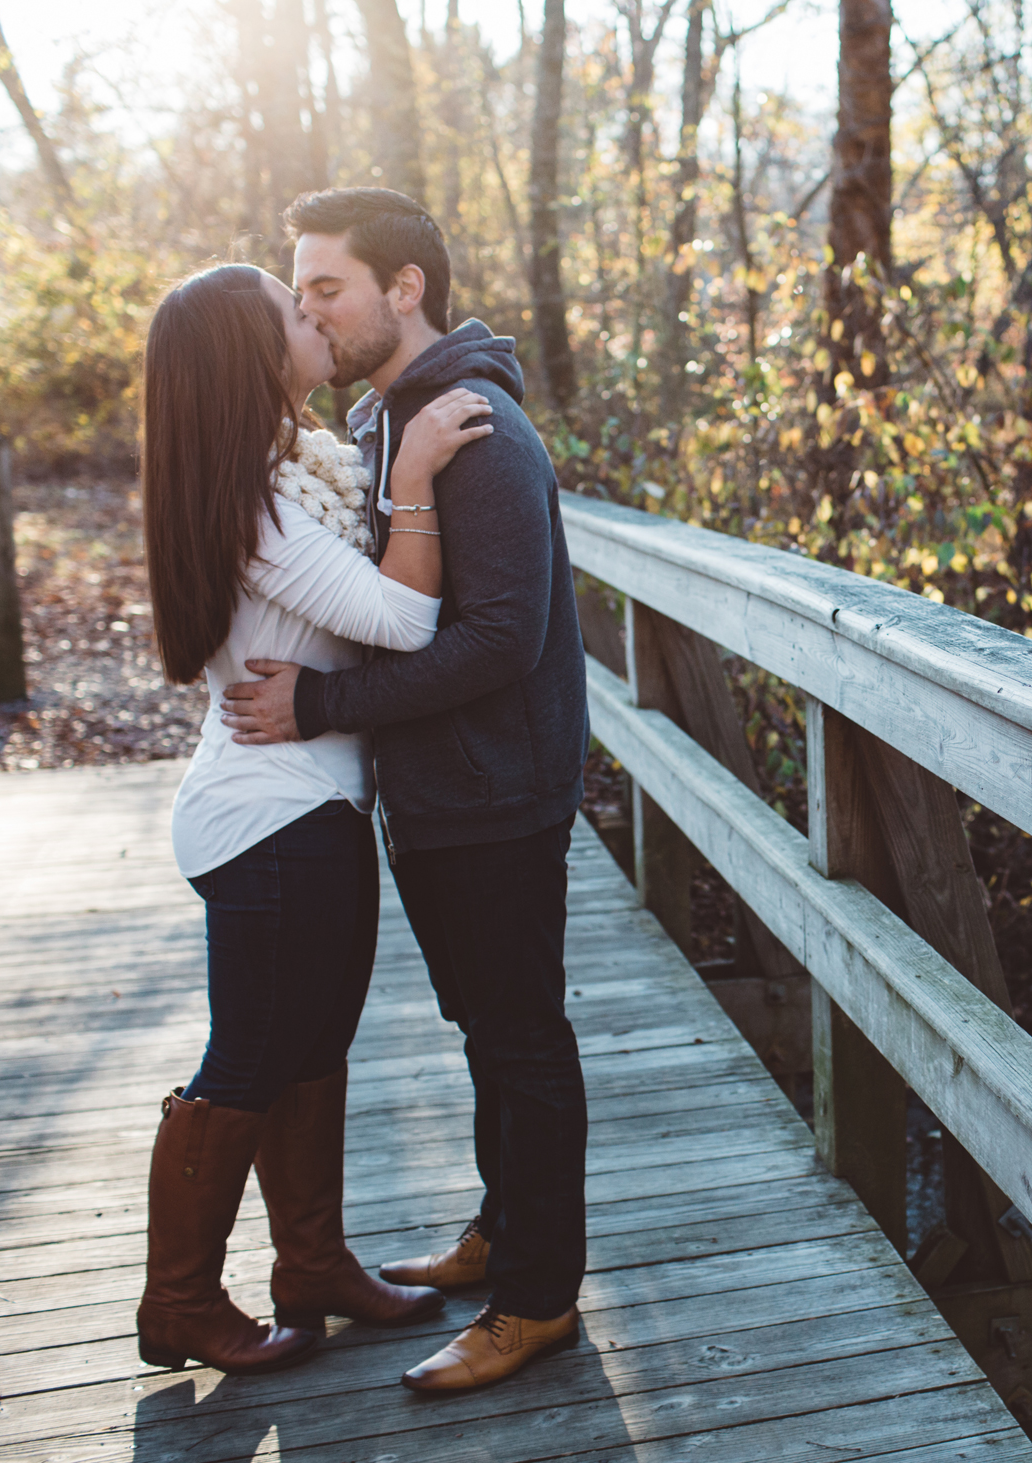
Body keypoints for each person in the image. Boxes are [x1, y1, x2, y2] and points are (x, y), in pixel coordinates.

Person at [220, 188, 592, 1393]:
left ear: (404, 289)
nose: (312, 312)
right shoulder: (391, 419)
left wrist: (319, 707)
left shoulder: (474, 427)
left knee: (521, 1035)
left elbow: (495, 640)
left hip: (494, 794)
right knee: (485, 1027)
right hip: (437, 791)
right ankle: (505, 1231)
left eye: (325, 286)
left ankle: (537, 1300)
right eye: (303, 293)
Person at [137, 263, 493, 1373]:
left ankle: (315, 1264)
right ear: (253, 354)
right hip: (270, 823)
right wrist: (422, 473)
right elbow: (399, 619)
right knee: (246, 1059)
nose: (314, 319)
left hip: (312, 805)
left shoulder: (289, 476)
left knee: (311, 1046)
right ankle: (180, 1302)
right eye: (294, 312)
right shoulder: (262, 505)